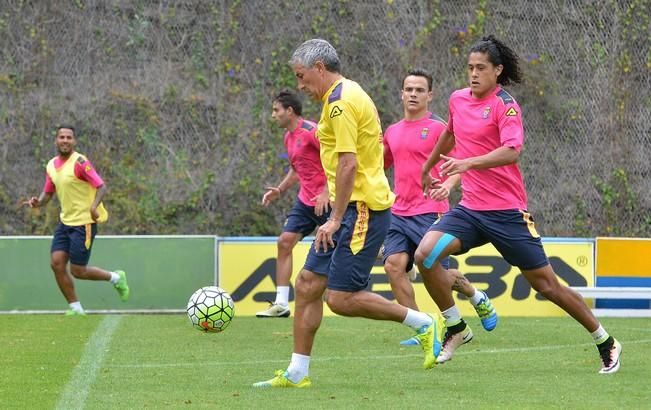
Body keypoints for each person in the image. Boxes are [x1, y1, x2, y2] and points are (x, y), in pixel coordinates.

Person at [415, 35, 621, 374]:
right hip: (470, 210)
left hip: (508, 213)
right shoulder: (457, 100)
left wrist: (466, 164)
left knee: (547, 286)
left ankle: (606, 341)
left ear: (497, 71)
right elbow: (450, 134)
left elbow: (512, 151)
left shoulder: (505, 106)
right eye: (470, 68)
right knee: (425, 255)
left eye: (481, 68)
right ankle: (456, 327)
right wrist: (427, 167)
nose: (473, 74)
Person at [253, 39, 441, 389]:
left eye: (302, 76)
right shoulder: (342, 95)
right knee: (307, 285)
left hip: (362, 209)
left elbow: (348, 162)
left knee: (339, 298)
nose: (300, 85)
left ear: (320, 68)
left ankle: (424, 323)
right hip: (350, 208)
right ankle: (297, 373)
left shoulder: (339, 104)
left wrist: (335, 218)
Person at [382, 69, 498, 346]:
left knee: (438, 275)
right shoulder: (392, 131)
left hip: (430, 211)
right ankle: (425, 327)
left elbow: (463, 162)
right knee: (393, 266)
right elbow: (380, 165)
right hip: (399, 212)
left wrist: (448, 185)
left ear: (429, 96)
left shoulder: (438, 129)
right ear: (401, 93)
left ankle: (474, 295)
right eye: (408, 89)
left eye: (419, 90)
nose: (413, 94)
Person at [24, 125, 129, 315]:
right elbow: (48, 193)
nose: (65, 140)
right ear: (56, 140)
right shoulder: (51, 165)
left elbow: (102, 186)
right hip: (65, 223)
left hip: (84, 223)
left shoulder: (80, 162)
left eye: (69, 137)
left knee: (78, 271)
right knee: (56, 263)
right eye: (61, 137)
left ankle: (116, 278)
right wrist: (37, 202)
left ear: (74, 141)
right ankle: (76, 308)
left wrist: (94, 206)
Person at [256, 91, 329, 318]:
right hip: (305, 202)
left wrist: (327, 191)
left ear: (290, 111)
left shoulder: (312, 132)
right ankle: (281, 303)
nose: (273, 115)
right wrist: (279, 189)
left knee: (352, 245)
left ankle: (393, 257)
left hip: (327, 201)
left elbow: (335, 160)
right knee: (284, 242)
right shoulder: (288, 137)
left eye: (276, 110)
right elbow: (298, 169)